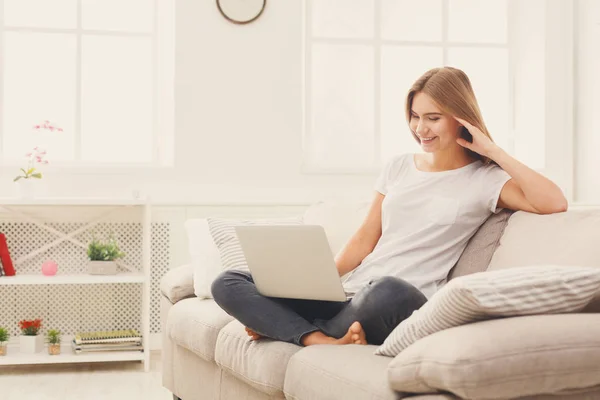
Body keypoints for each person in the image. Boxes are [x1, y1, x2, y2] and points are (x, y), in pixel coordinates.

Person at [211, 66, 568, 347]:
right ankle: (318, 338)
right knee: (229, 281)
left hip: (401, 299)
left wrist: (492, 150)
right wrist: (314, 283)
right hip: (352, 295)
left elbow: (555, 202)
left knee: (387, 288)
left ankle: (288, 328)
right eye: (415, 115)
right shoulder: (399, 166)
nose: (420, 128)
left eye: (433, 117)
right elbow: (366, 238)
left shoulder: (485, 179)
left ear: (461, 118)